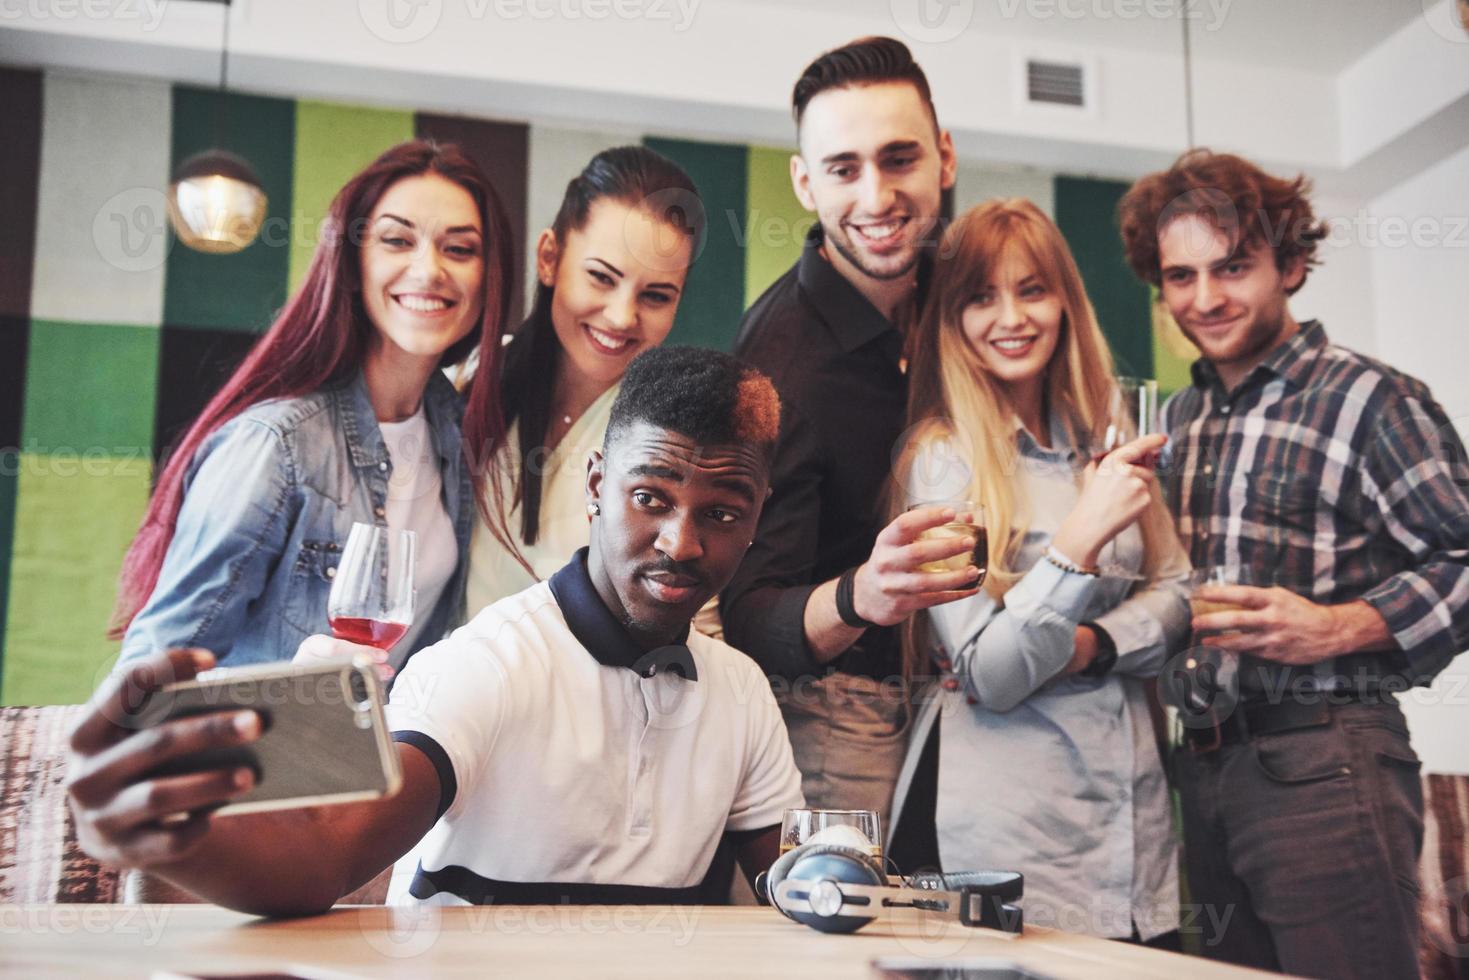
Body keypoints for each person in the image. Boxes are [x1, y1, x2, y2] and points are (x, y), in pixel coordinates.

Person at [67, 346, 803, 913]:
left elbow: (801, 888)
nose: (681, 542)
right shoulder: (491, 663)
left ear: (757, 517)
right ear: (596, 486)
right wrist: (177, 840)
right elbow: (326, 853)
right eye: (650, 497)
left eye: (722, 513)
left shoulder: (739, 691)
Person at [1118, 149, 1469, 978]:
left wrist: (1340, 626)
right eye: (1180, 276)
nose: (1204, 298)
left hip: (1326, 757)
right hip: (1199, 771)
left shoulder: (1372, 398)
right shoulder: (1179, 418)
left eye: (1232, 267)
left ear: (1292, 264)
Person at [886, 199, 1188, 944]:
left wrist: (1092, 647)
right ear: (951, 320)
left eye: (1032, 289)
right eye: (980, 297)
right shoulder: (942, 457)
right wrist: (1079, 540)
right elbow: (989, 675)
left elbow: (1180, 597)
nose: (1010, 317)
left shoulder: (1106, 439)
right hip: (1000, 832)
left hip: (1130, 827)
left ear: (1064, 303)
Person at [113, 140, 514, 673]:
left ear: (488, 280)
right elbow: (148, 669)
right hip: (263, 753)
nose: (429, 269)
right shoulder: (275, 444)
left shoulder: (459, 433)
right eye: (397, 240)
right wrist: (295, 686)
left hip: (376, 755)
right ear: (352, 265)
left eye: (459, 249)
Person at [721, 36, 971, 832]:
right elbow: (744, 615)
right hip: (827, 721)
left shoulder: (964, 303)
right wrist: (863, 596)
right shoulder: (775, 366)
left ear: (944, 157)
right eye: (842, 168)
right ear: (805, 182)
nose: (876, 196)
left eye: (899, 159)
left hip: (971, 707)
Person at [468, 146, 700, 612]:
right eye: (600, 277)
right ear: (550, 258)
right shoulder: (470, 383)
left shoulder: (678, 439)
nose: (621, 316)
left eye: (656, 295)